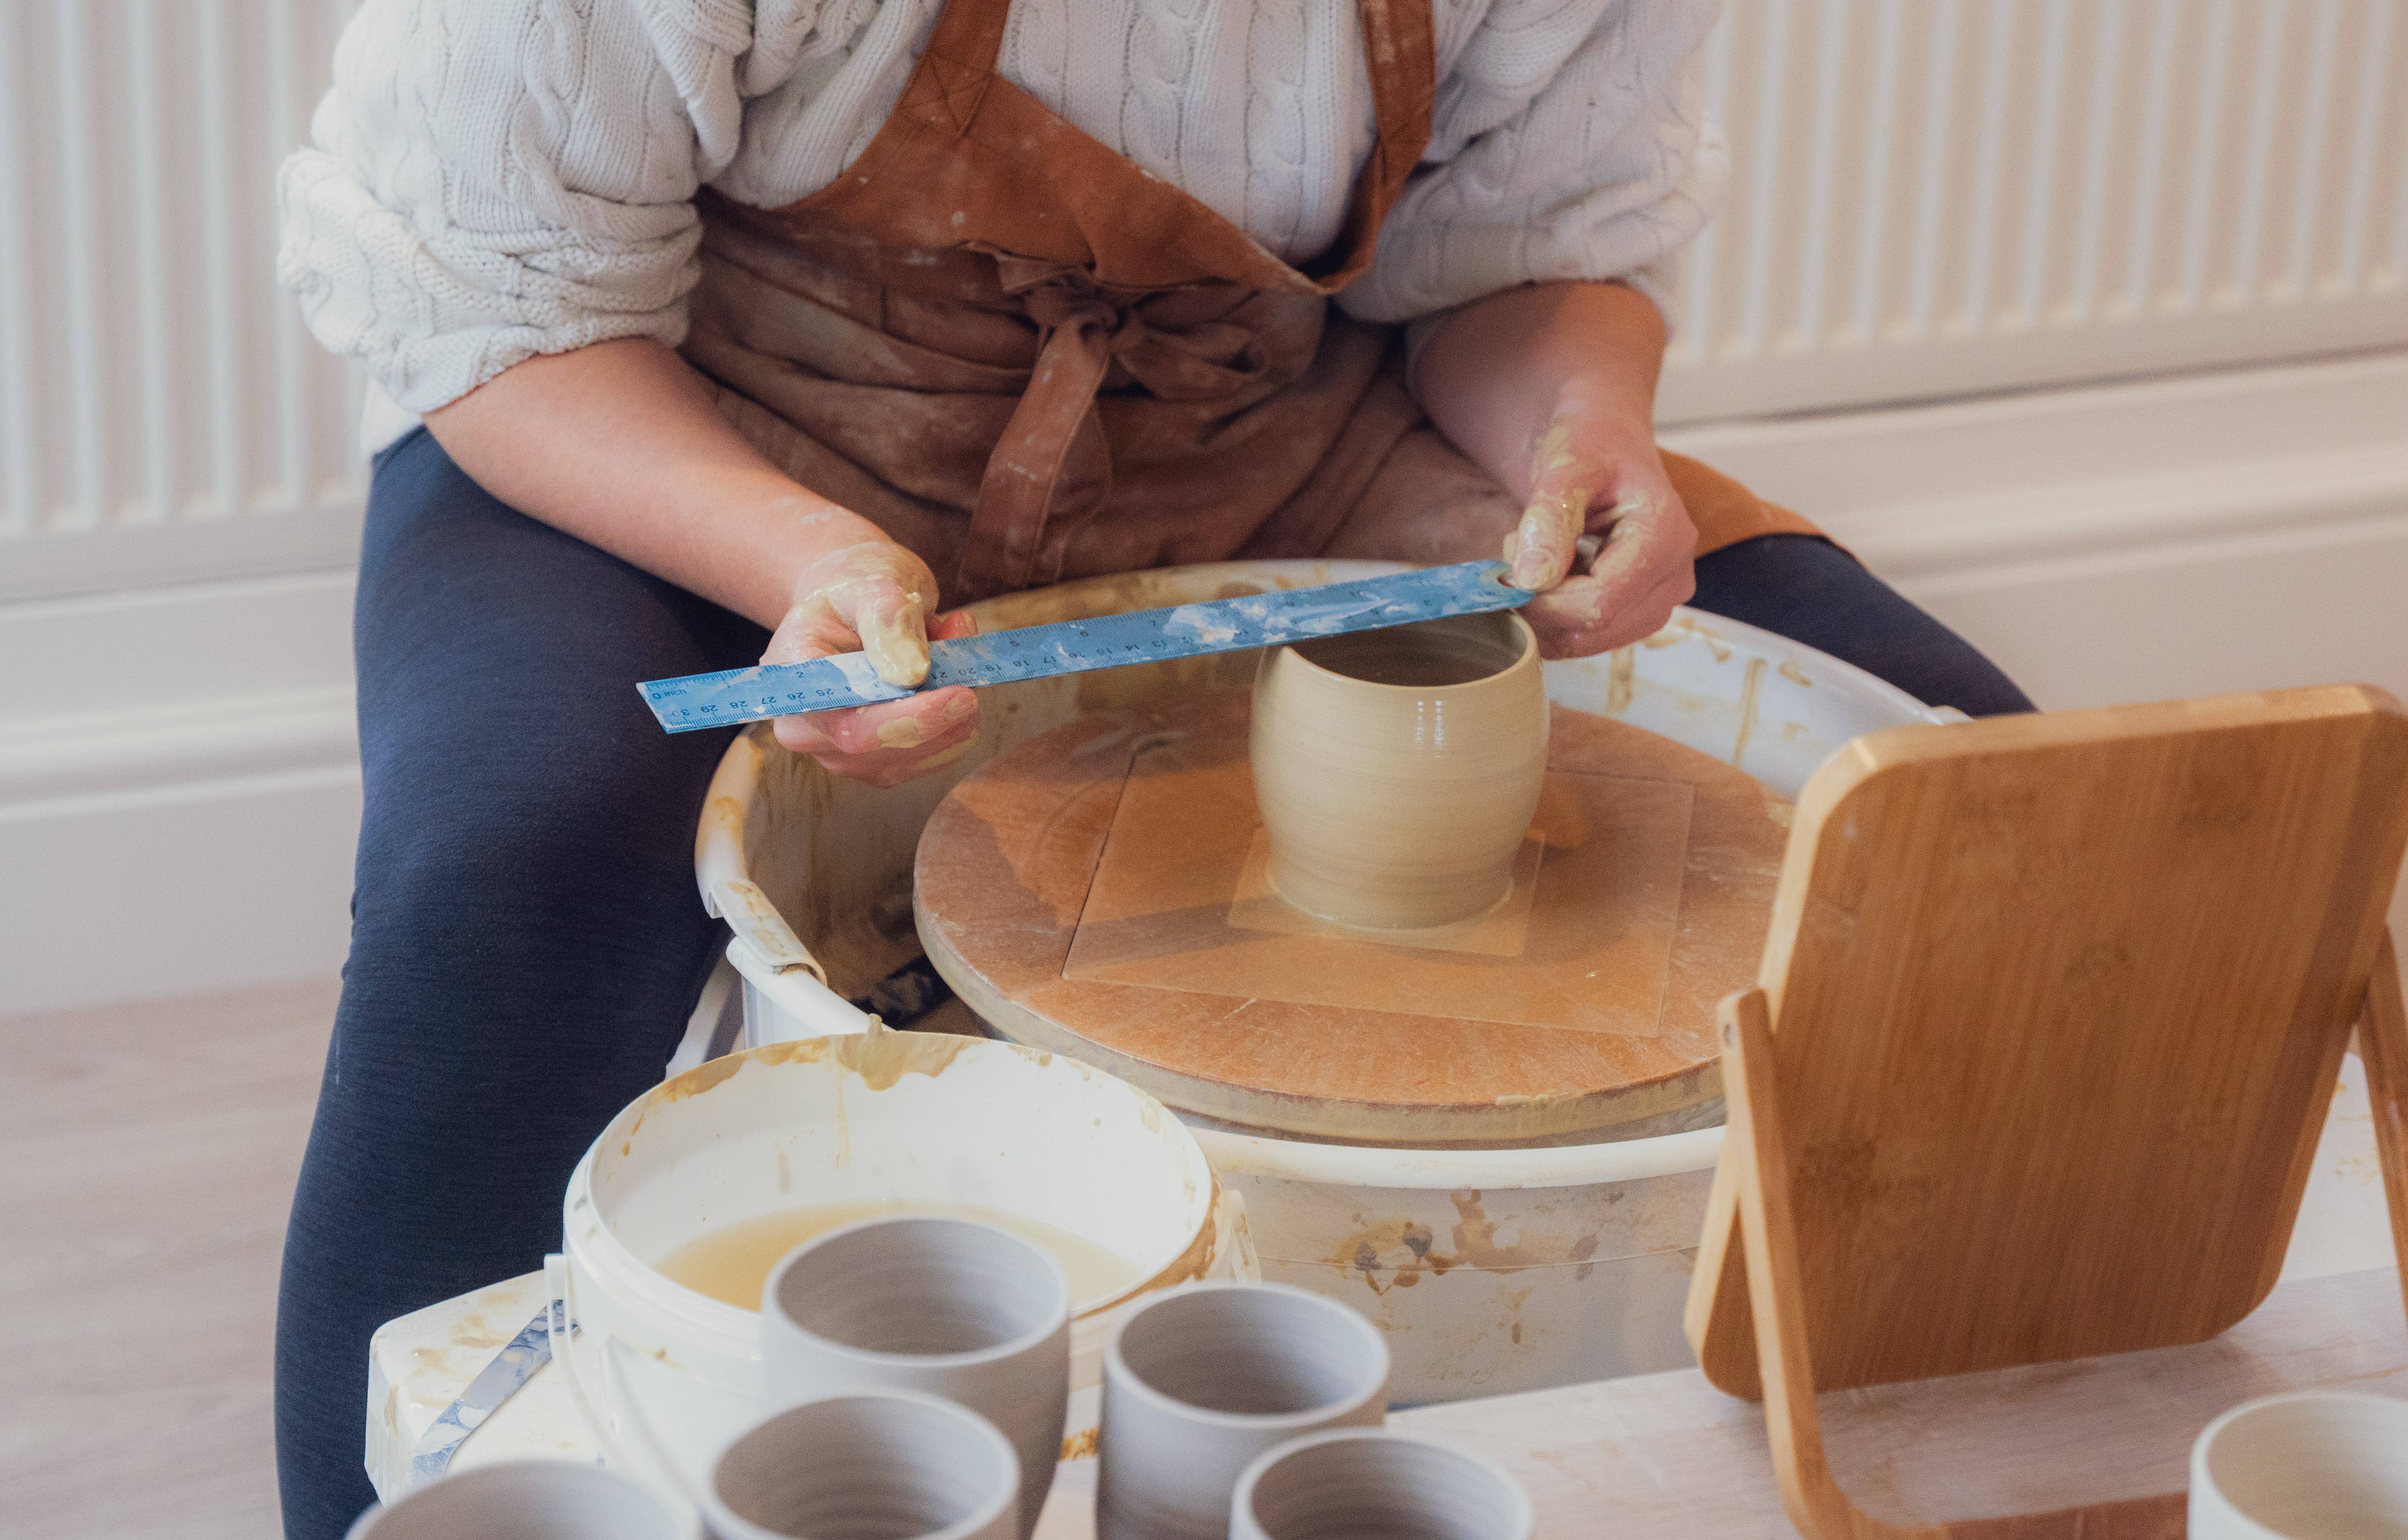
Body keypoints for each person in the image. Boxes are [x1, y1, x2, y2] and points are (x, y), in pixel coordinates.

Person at [271, 0, 2033, 1533]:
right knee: (518, 856)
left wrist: (1591, 442)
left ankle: (1961, 1424)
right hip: (687, 423)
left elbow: (1516, 268)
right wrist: (806, 562)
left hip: (1258, 427)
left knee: (1979, 780)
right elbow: (494, 296)